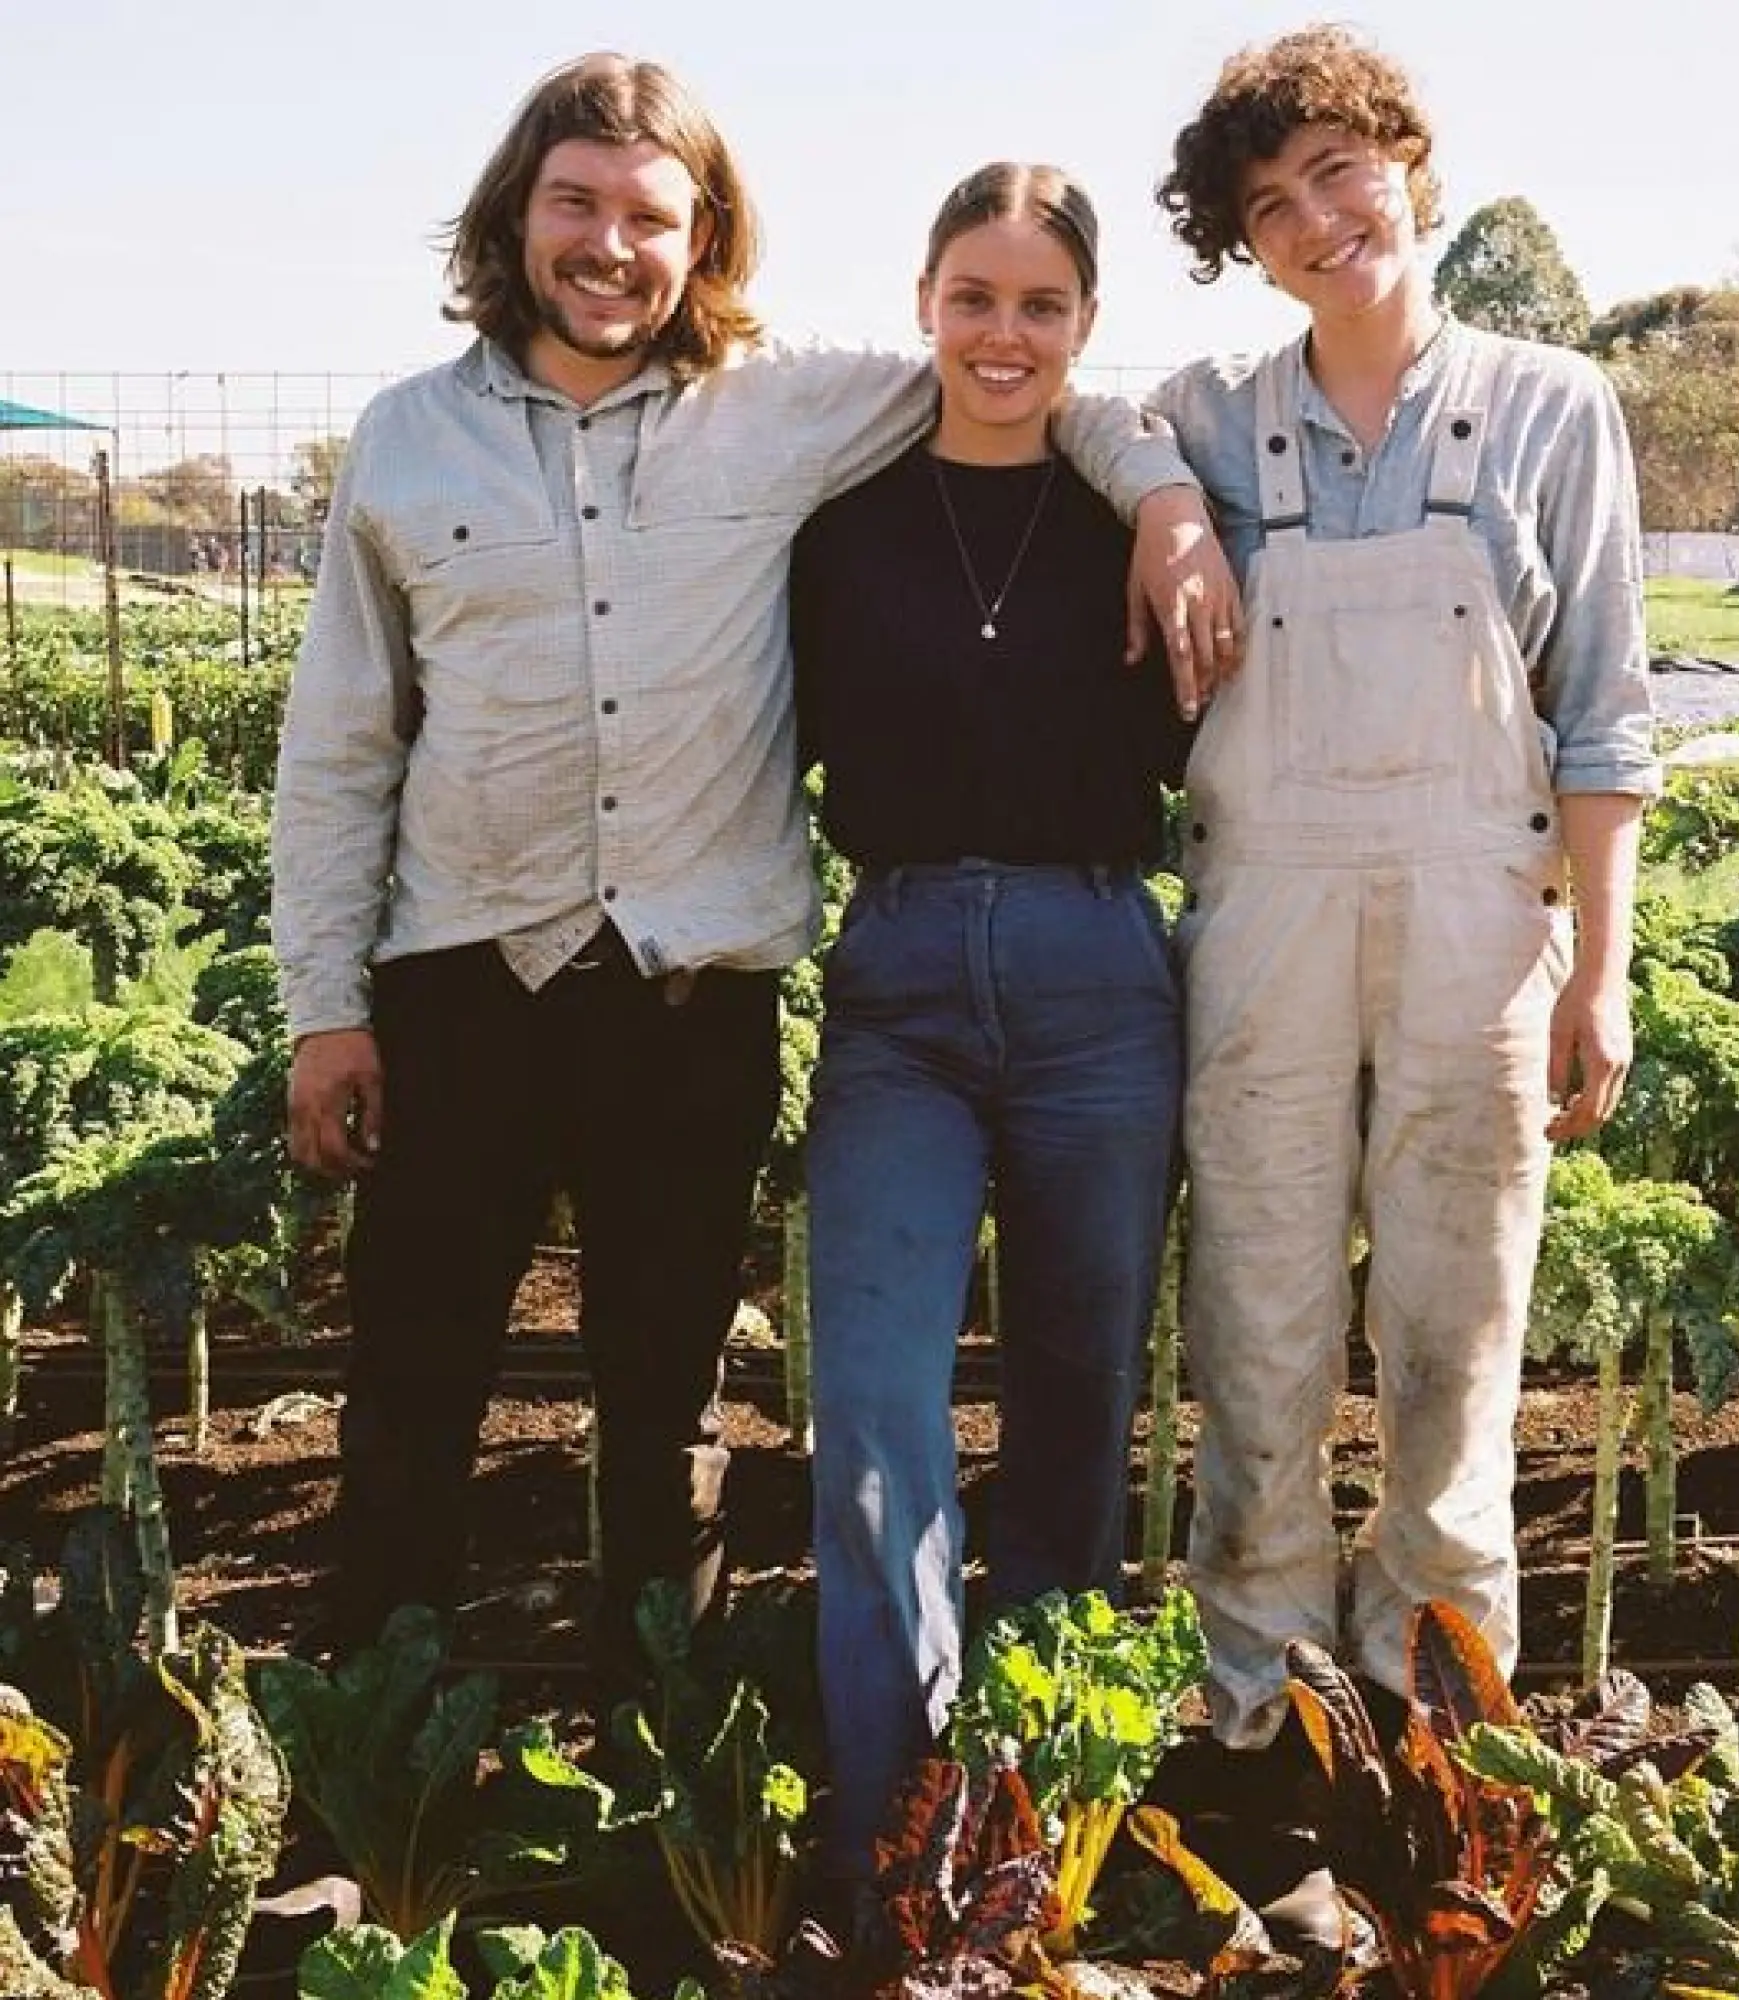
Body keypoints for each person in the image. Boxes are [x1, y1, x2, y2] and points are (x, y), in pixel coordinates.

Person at [271, 51, 1236, 1690]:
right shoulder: (406, 444)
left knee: (662, 1403)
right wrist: (323, 1005)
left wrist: (1162, 501)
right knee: (414, 1385)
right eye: (575, 204)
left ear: (701, 235)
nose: (609, 245)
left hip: (686, 993)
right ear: (518, 214)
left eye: (650, 216)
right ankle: (379, 1764)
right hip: (461, 982)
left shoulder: (779, 404)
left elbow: (1021, 370)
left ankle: (666, 1757)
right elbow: (343, 742)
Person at [1147, 25, 1661, 1748]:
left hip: (1476, 920)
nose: (1312, 220)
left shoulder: (1546, 403)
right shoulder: (1205, 420)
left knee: (1454, 1327)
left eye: (1336, 173)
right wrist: (1164, 512)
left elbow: (1600, 706)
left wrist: (1603, 967)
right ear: (1242, 242)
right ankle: (1259, 1715)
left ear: (1403, 170)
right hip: (1264, 918)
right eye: (1266, 203)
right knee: (1258, 1315)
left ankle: (1440, 1721)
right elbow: (1069, 428)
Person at [788, 160, 1191, 1892]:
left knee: (1073, 1397)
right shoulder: (841, 517)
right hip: (894, 988)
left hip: (1104, 964)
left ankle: (1031, 1797)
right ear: (924, 305)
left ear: (1085, 327)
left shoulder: (1144, 517)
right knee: (875, 1403)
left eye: (1040, 305)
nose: (1003, 335)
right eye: (973, 298)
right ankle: (892, 1808)